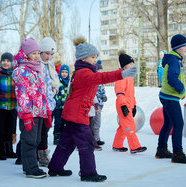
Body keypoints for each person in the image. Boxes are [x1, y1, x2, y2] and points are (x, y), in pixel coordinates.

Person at [48, 37, 137, 182]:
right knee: (87, 144)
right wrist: (121, 74)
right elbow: (101, 78)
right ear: (83, 58)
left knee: (67, 143)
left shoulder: (82, 71)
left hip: (73, 114)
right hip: (77, 115)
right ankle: (88, 173)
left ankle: (55, 167)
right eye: (93, 57)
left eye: (96, 57)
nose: (95, 60)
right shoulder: (85, 73)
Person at [155, 34, 186, 164]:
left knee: (168, 123)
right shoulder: (174, 60)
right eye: (184, 45)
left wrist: (181, 91)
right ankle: (178, 154)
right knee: (178, 124)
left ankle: (161, 150)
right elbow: (172, 78)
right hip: (170, 97)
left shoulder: (174, 58)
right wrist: (181, 89)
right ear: (178, 47)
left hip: (167, 96)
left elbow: (175, 77)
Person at [12, 37, 48, 178]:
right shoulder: (22, 71)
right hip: (29, 113)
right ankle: (30, 168)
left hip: (39, 111)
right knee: (29, 140)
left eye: (38, 53)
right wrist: (25, 113)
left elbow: (41, 92)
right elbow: (22, 94)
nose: (37, 56)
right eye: (33, 53)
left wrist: (46, 111)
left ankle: (31, 165)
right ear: (26, 54)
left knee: (37, 139)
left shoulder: (37, 70)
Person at [112, 50, 147, 154]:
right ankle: (135, 147)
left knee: (123, 127)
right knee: (130, 126)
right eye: (130, 63)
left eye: (133, 63)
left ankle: (117, 145)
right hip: (123, 105)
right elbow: (120, 93)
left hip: (130, 105)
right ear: (124, 66)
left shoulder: (129, 77)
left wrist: (134, 105)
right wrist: (123, 106)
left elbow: (131, 93)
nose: (132, 65)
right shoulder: (121, 76)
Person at [0, 52, 17, 160]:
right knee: (0, 129)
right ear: (1, 62)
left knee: (10, 129)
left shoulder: (15, 75)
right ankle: (0, 152)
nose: (6, 63)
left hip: (12, 106)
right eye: (3, 61)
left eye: (8, 61)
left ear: (11, 62)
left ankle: (9, 150)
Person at [38, 37, 60, 167]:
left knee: (45, 130)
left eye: (51, 54)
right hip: (38, 104)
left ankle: (43, 155)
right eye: (46, 53)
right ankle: (25, 154)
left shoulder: (50, 65)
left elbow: (55, 79)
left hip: (49, 104)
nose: (48, 56)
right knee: (36, 132)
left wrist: (55, 89)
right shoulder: (37, 64)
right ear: (40, 52)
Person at [90, 60, 108, 146]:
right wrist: (97, 101)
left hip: (100, 106)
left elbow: (102, 91)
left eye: (101, 70)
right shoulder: (94, 81)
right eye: (98, 70)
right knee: (93, 123)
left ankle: (97, 138)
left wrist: (104, 96)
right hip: (94, 106)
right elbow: (94, 94)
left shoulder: (101, 81)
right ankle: (93, 139)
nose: (100, 72)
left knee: (97, 123)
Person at [53, 64, 70, 145]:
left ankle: (63, 137)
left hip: (67, 108)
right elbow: (55, 93)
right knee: (58, 122)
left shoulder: (69, 83)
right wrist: (58, 101)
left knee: (64, 123)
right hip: (58, 107)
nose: (64, 74)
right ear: (60, 72)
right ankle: (56, 137)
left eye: (66, 72)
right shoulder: (58, 82)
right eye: (62, 72)